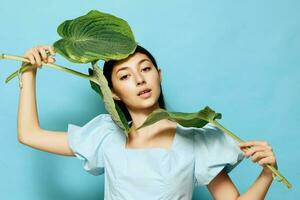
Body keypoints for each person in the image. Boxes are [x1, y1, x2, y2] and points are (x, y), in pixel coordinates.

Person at [18, 44, 278, 200]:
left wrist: (267, 174)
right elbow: (29, 134)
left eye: (145, 68)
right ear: (113, 92)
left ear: (159, 75)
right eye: (125, 75)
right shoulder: (105, 135)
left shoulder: (194, 139)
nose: (140, 79)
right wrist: (28, 72)